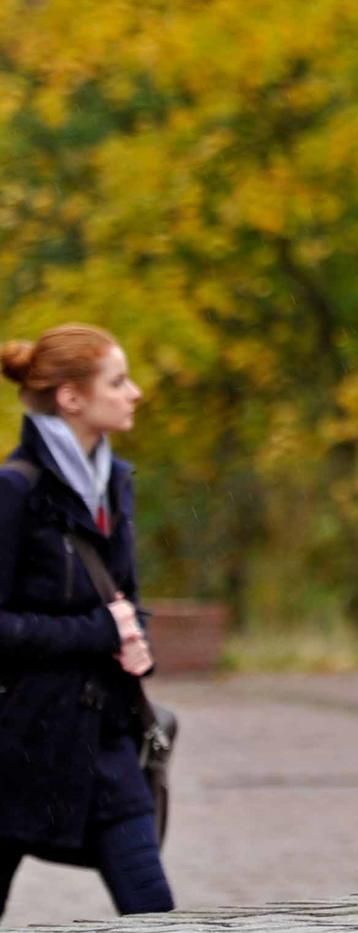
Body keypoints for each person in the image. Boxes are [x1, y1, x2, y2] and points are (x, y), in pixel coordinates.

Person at [0, 324, 171, 916]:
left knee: (153, 912)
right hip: (16, 744)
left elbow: (124, 596)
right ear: (71, 397)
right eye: (118, 382)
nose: (136, 393)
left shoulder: (114, 484)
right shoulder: (14, 491)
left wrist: (135, 634)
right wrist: (98, 633)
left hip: (105, 743)